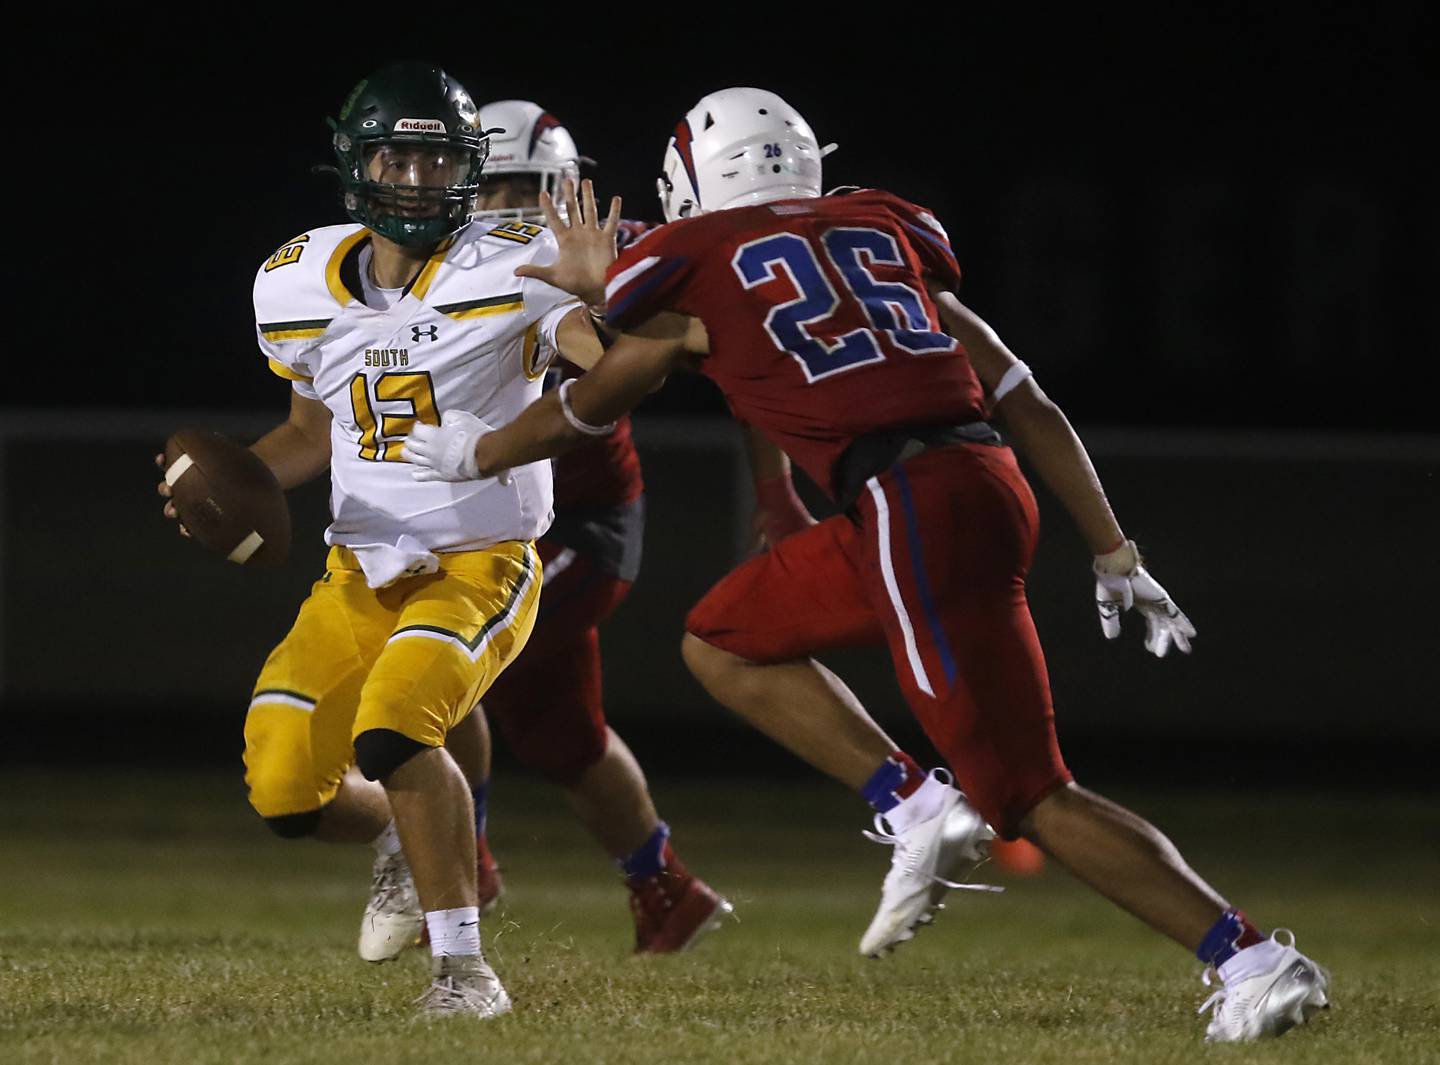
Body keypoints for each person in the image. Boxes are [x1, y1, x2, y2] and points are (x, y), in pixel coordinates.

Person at [403, 88, 1332, 1043]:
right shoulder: (884, 232)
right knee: (723, 637)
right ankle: (915, 799)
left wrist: (509, 406)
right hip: (980, 481)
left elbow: (602, 387)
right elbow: (1028, 397)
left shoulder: (686, 260)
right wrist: (1113, 547)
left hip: (906, 505)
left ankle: (1251, 957)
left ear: (691, 179)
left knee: (1028, 794)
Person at [157, 62, 608, 1019]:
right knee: (285, 790)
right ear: (356, 166)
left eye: (435, 158)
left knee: (399, 725)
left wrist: (598, 303)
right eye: (395, 157)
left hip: (481, 562)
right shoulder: (296, 279)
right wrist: (227, 482)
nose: (413, 180)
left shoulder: (515, 260)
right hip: (358, 568)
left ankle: (464, 972)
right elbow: (311, 434)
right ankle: (404, 836)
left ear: (468, 167)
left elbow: (605, 376)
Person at [420, 98, 732, 955]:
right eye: (497, 185)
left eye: (532, 184)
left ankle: (464, 862)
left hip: (582, 525)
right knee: (562, 735)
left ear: (570, 187)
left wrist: (776, 483)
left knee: (439, 654)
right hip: (492, 522)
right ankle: (666, 888)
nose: (513, 205)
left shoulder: (617, 248)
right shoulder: (431, 263)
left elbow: (727, 344)